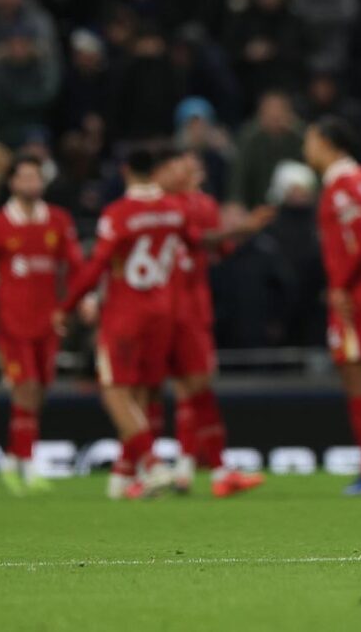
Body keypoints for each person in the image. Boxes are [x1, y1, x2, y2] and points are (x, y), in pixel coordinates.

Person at [53, 149, 189, 499]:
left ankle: (153, 464)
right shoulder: (174, 211)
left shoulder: (118, 213)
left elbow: (97, 265)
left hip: (125, 312)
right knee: (141, 393)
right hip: (162, 310)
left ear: (126, 171)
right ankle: (124, 474)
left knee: (114, 390)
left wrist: (66, 306)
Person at [0, 155, 84, 496]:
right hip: (12, 323)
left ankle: (14, 459)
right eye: (25, 178)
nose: (31, 184)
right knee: (26, 387)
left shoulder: (58, 220)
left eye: (35, 178)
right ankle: (28, 466)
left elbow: (75, 265)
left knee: (38, 392)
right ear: (12, 183)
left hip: (49, 322)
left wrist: (83, 298)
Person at [154, 150, 269, 498]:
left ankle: (190, 469)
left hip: (192, 307)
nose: (191, 169)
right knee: (182, 389)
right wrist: (240, 229)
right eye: (181, 163)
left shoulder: (204, 204)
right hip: (159, 307)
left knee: (194, 387)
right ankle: (194, 469)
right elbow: (199, 239)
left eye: (194, 165)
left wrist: (238, 236)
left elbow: (218, 251)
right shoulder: (158, 205)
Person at [304, 116, 361, 495]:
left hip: (354, 294)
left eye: (310, 141)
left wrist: (341, 286)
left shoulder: (342, 187)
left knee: (356, 378)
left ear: (328, 143)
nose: (306, 150)